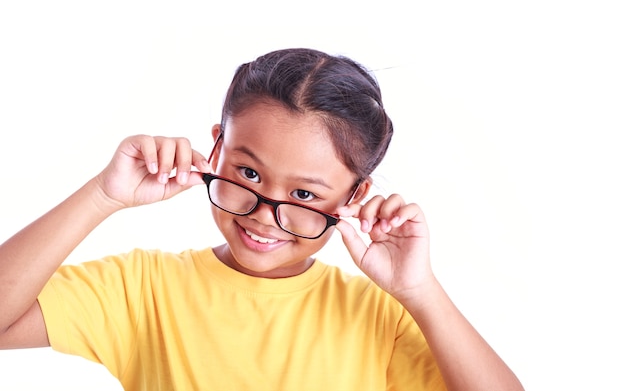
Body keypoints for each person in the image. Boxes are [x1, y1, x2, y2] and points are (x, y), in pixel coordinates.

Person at [0, 48, 524, 390]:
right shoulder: (143, 290)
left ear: (356, 195)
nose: (264, 216)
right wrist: (101, 195)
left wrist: (421, 291)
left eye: (302, 193)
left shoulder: (379, 317)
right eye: (248, 174)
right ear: (217, 147)